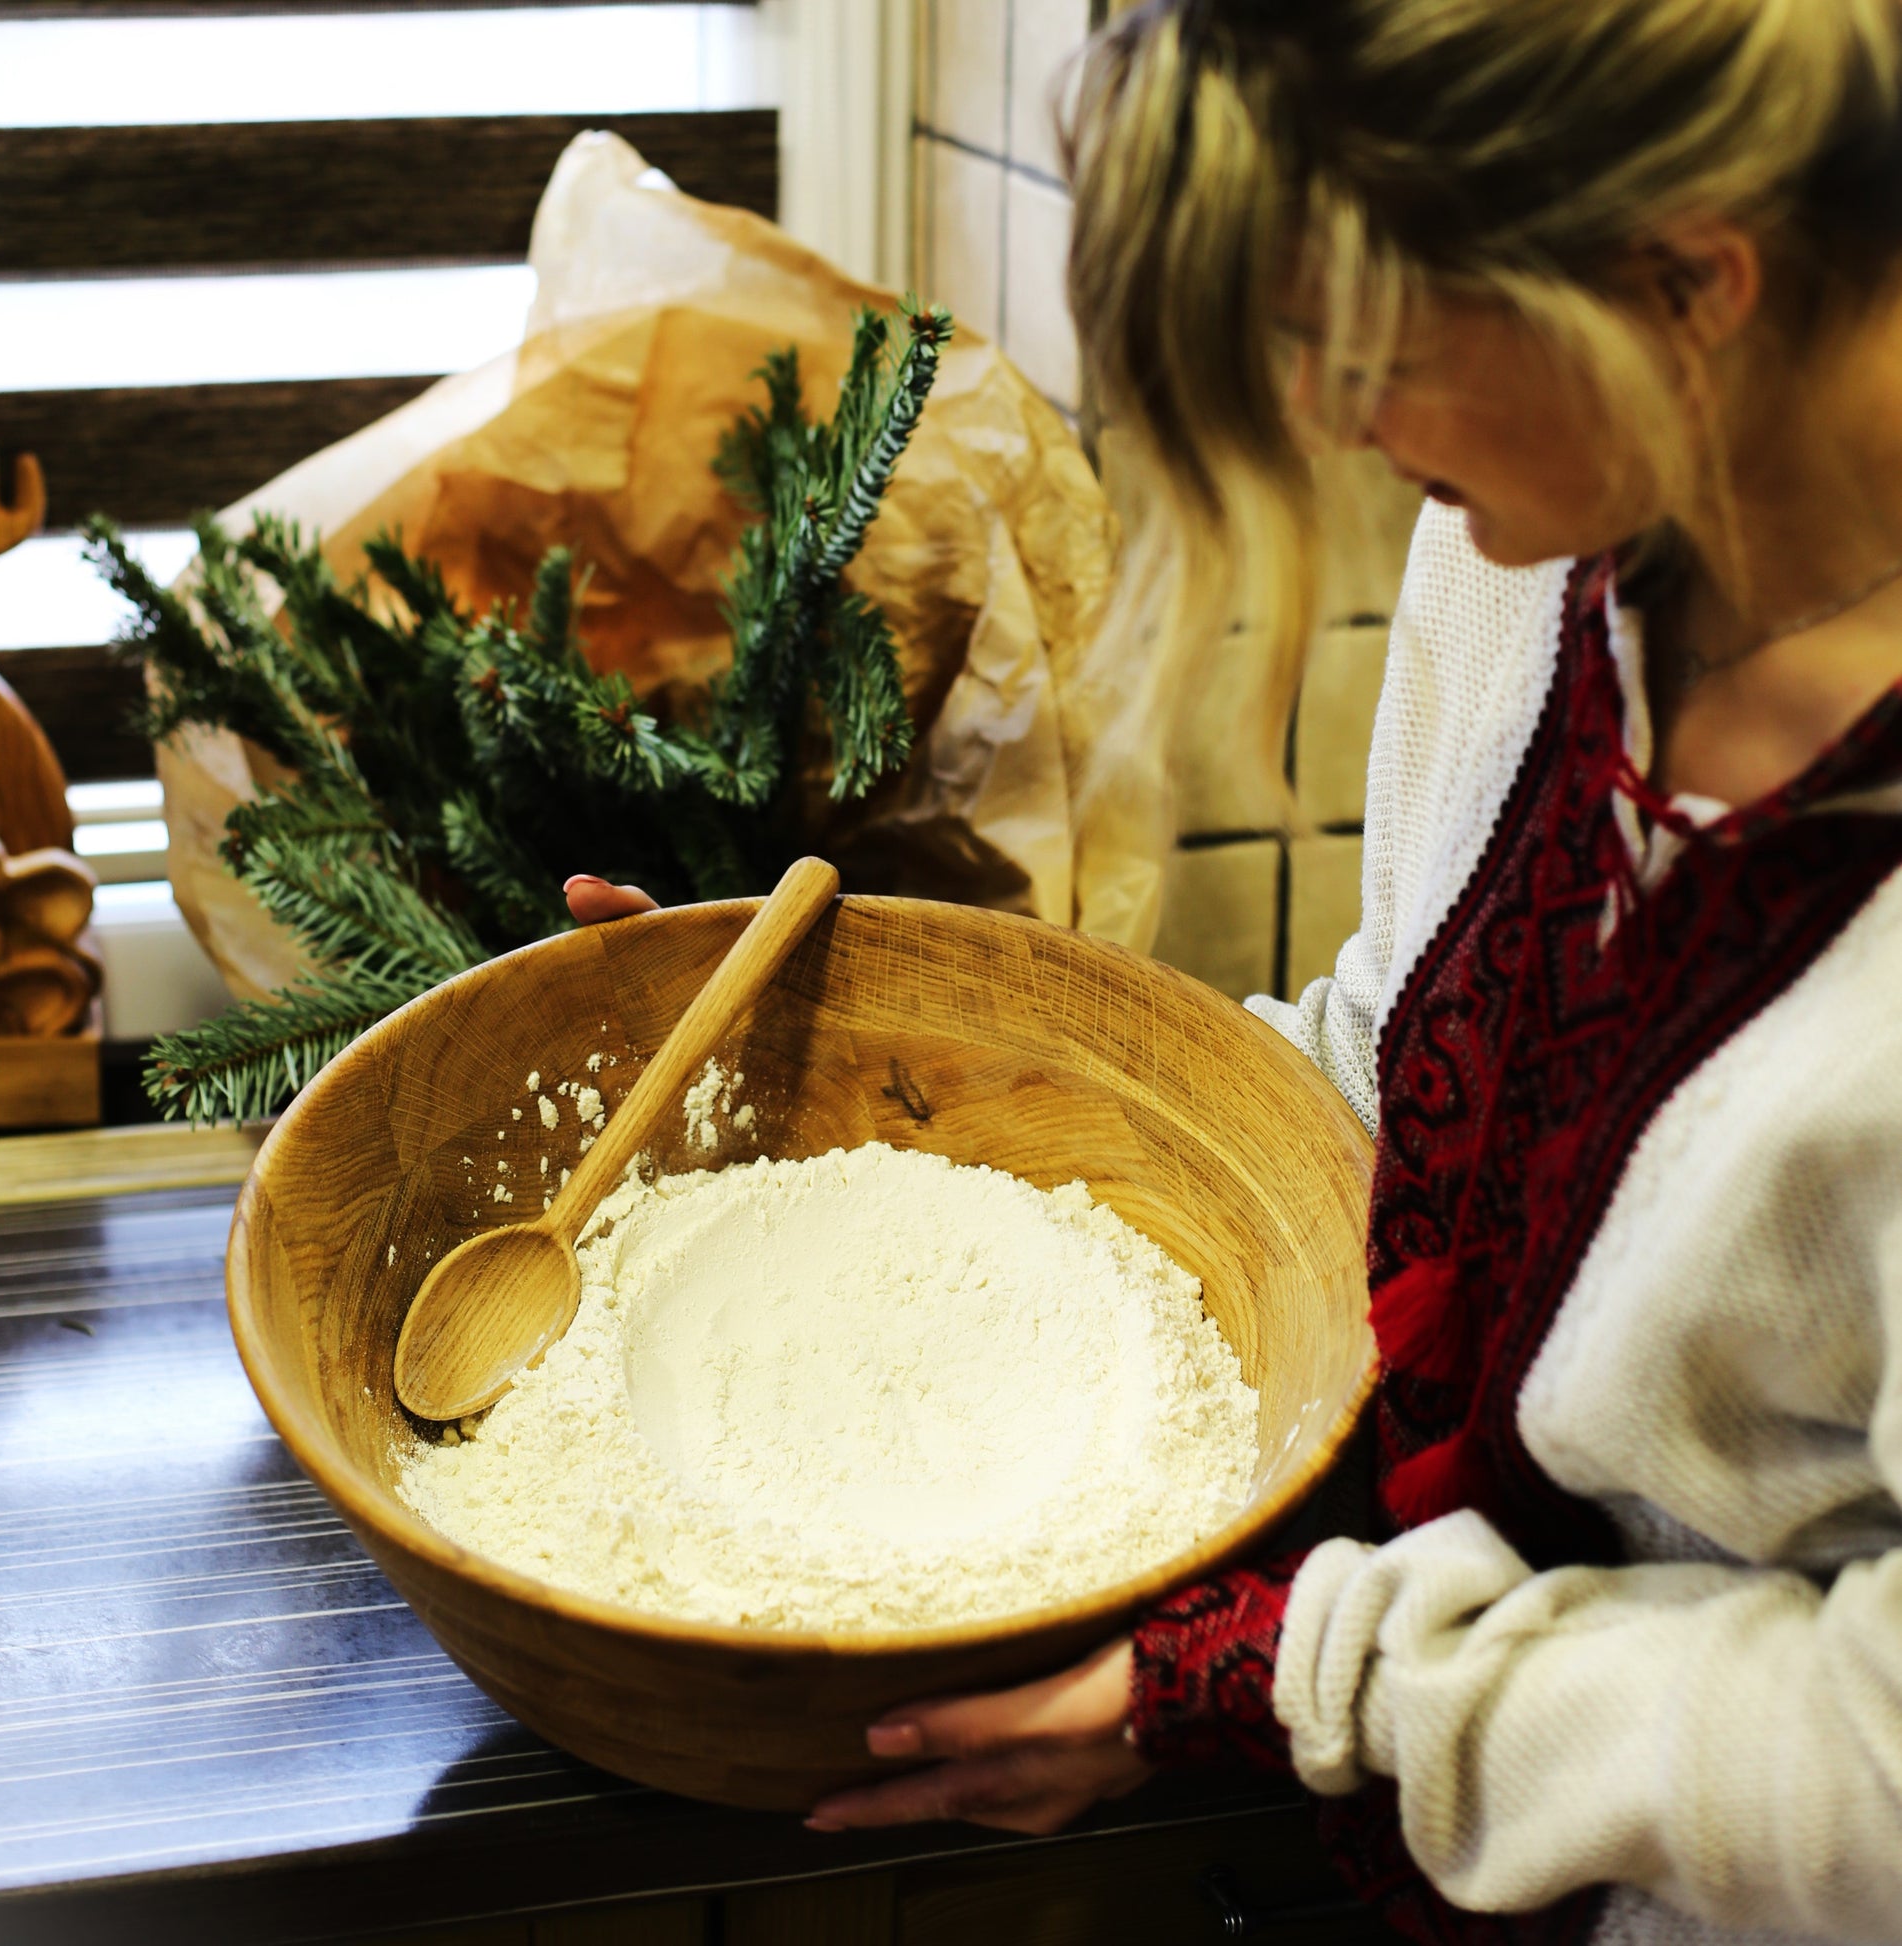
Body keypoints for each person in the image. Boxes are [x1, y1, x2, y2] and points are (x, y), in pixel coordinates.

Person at [568, 1, 1902, 1938]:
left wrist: (1316, 1686)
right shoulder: (1547, 555)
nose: (1331, 426)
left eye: (1365, 350)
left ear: (1683, 280)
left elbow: (1870, 1760)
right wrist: (906, 1069)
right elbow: (1401, 1101)